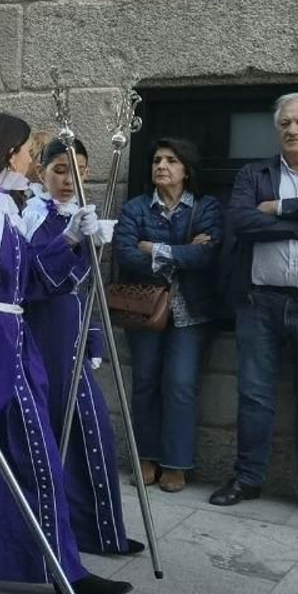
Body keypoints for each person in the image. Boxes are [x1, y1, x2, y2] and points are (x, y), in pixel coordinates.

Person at [0, 113, 131, 594]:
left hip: (13, 349)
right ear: (7, 154)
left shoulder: (4, 212)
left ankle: (61, 562)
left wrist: (71, 240)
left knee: (39, 456)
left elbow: (32, 281)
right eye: (28, 151)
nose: (33, 160)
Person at [24, 139, 141, 554]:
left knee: (91, 429)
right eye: (59, 169)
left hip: (71, 333)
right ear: (40, 172)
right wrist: (70, 241)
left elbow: (87, 288)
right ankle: (66, 532)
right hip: (44, 335)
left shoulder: (79, 214)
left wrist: (93, 338)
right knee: (64, 429)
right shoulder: (34, 216)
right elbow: (37, 279)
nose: (69, 179)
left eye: (77, 170)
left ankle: (97, 532)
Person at [217, 93, 298, 519]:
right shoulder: (254, 173)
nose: (292, 130)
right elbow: (241, 222)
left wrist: (279, 208)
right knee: (254, 395)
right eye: (285, 124)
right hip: (259, 301)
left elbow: (262, 217)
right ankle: (248, 478)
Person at [114, 137, 223, 494]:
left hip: (192, 310)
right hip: (145, 309)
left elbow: (207, 256)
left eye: (171, 160)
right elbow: (126, 254)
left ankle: (176, 463)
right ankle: (145, 457)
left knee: (180, 384)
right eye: (157, 160)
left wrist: (155, 248)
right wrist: (182, 251)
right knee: (145, 382)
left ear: (186, 170)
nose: (161, 166)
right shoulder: (135, 208)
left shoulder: (206, 207)